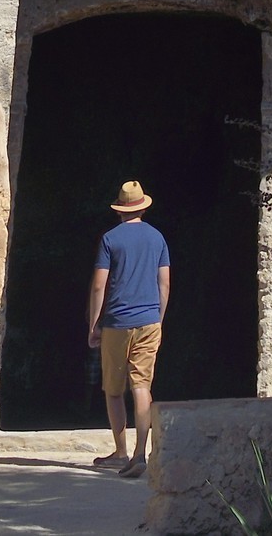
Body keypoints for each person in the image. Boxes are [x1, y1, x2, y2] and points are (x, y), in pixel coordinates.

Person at [87, 179, 170, 477]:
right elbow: (165, 282)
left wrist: (94, 324)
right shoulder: (158, 238)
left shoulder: (110, 239)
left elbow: (99, 285)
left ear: (119, 209)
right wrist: (158, 318)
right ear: (143, 207)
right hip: (149, 321)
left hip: (117, 323)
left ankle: (120, 452)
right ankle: (140, 453)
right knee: (142, 386)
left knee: (113, 388)